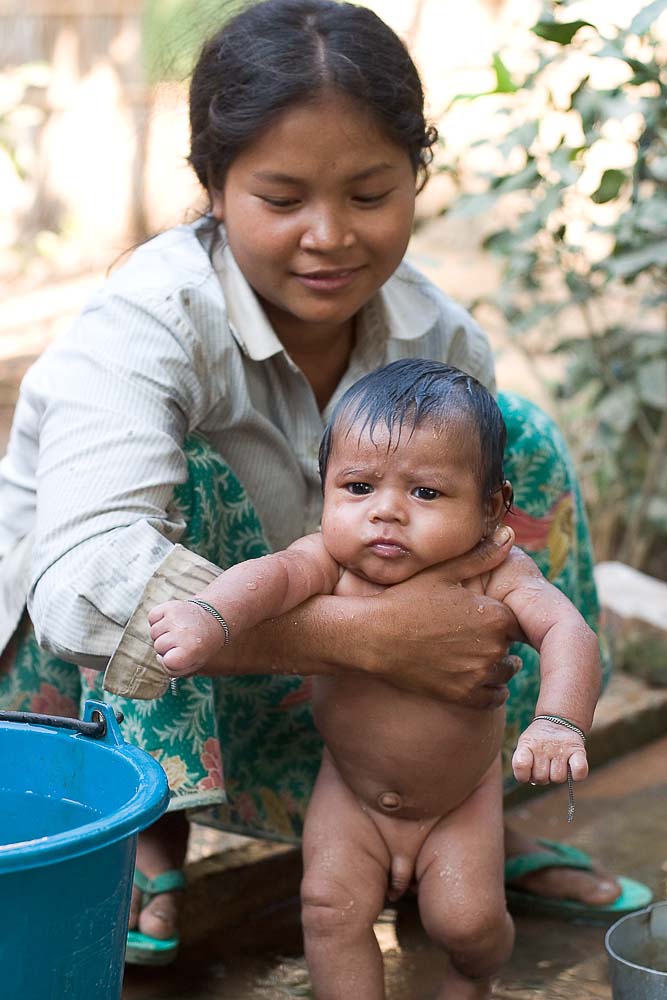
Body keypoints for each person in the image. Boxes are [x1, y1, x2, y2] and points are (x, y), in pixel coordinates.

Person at [0, 0, 649, 970]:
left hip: (336, 707)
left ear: (416, 180)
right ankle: (139, 832)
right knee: (181, 502)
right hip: (114, 686)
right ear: (213, 186)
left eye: (369, 192)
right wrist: (373, 634)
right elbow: (87, 587)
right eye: (282, 195)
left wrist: (463, 676)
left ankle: (468, 809)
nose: (328, 235)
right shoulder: (144, 321)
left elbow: (486, 563)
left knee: (507, 443)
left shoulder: (437, 334)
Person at [149, 359, 602, 999]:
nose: (385, 513)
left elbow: (568, 632)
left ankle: (477, 973)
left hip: (458, 802)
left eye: (425, 493)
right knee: (329, 911)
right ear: (325, 487)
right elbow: (269, 577)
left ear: (492, 506)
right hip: (351, 793)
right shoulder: (329, 560)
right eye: (358, 487)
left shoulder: (496, 570)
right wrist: (210, 614)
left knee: (465, 923)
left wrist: (558, 721)